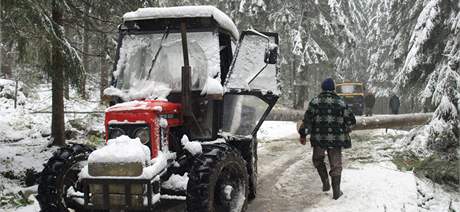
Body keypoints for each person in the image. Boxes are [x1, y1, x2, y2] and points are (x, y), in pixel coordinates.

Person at [298, 78, 356, 200]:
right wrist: (346, 127)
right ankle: (336, 191)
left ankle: (325, 182)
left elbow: (307, 121)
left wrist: (303, 134)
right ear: (334, 88)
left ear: (322, 88)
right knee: (336, 165)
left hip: (319, 138)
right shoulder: (340, 102)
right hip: (336, 139)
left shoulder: (315, 101)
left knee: (318, 160)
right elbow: (351, 120)